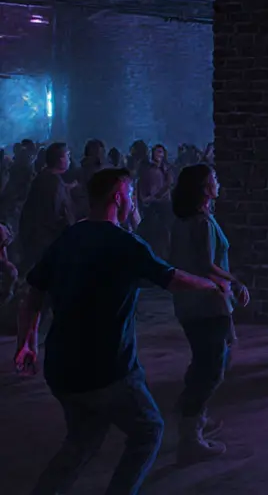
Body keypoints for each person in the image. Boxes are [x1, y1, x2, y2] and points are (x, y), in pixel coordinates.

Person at [15, 168, 230, 495]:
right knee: (148, 431)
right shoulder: (125, 243)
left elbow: (33, 294)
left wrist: (26, 343)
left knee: (81, 440)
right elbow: (171, 278)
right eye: (129, 195)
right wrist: (211, 285)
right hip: (108, 369)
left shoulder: (69, 237)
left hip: (61, 367)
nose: (132, 201)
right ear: (118, 197)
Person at [169, 164, 251, 462]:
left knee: (212, 359)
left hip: (195, 301)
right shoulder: (201, 222)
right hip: (207, 302)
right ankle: (189, 435)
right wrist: (235, 281)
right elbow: (206, 264)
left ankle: (193, 417)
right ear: (204, 188)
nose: (218, 181)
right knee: (212, 367)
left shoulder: (186, 220)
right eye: (213, 178)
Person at [18, 142, 75, 273]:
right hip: (45, 243)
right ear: (59, 159)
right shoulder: (51, 183)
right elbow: (51, 215)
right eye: (67, 155)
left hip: (41, 241)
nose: (69, 159)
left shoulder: (47, 178)